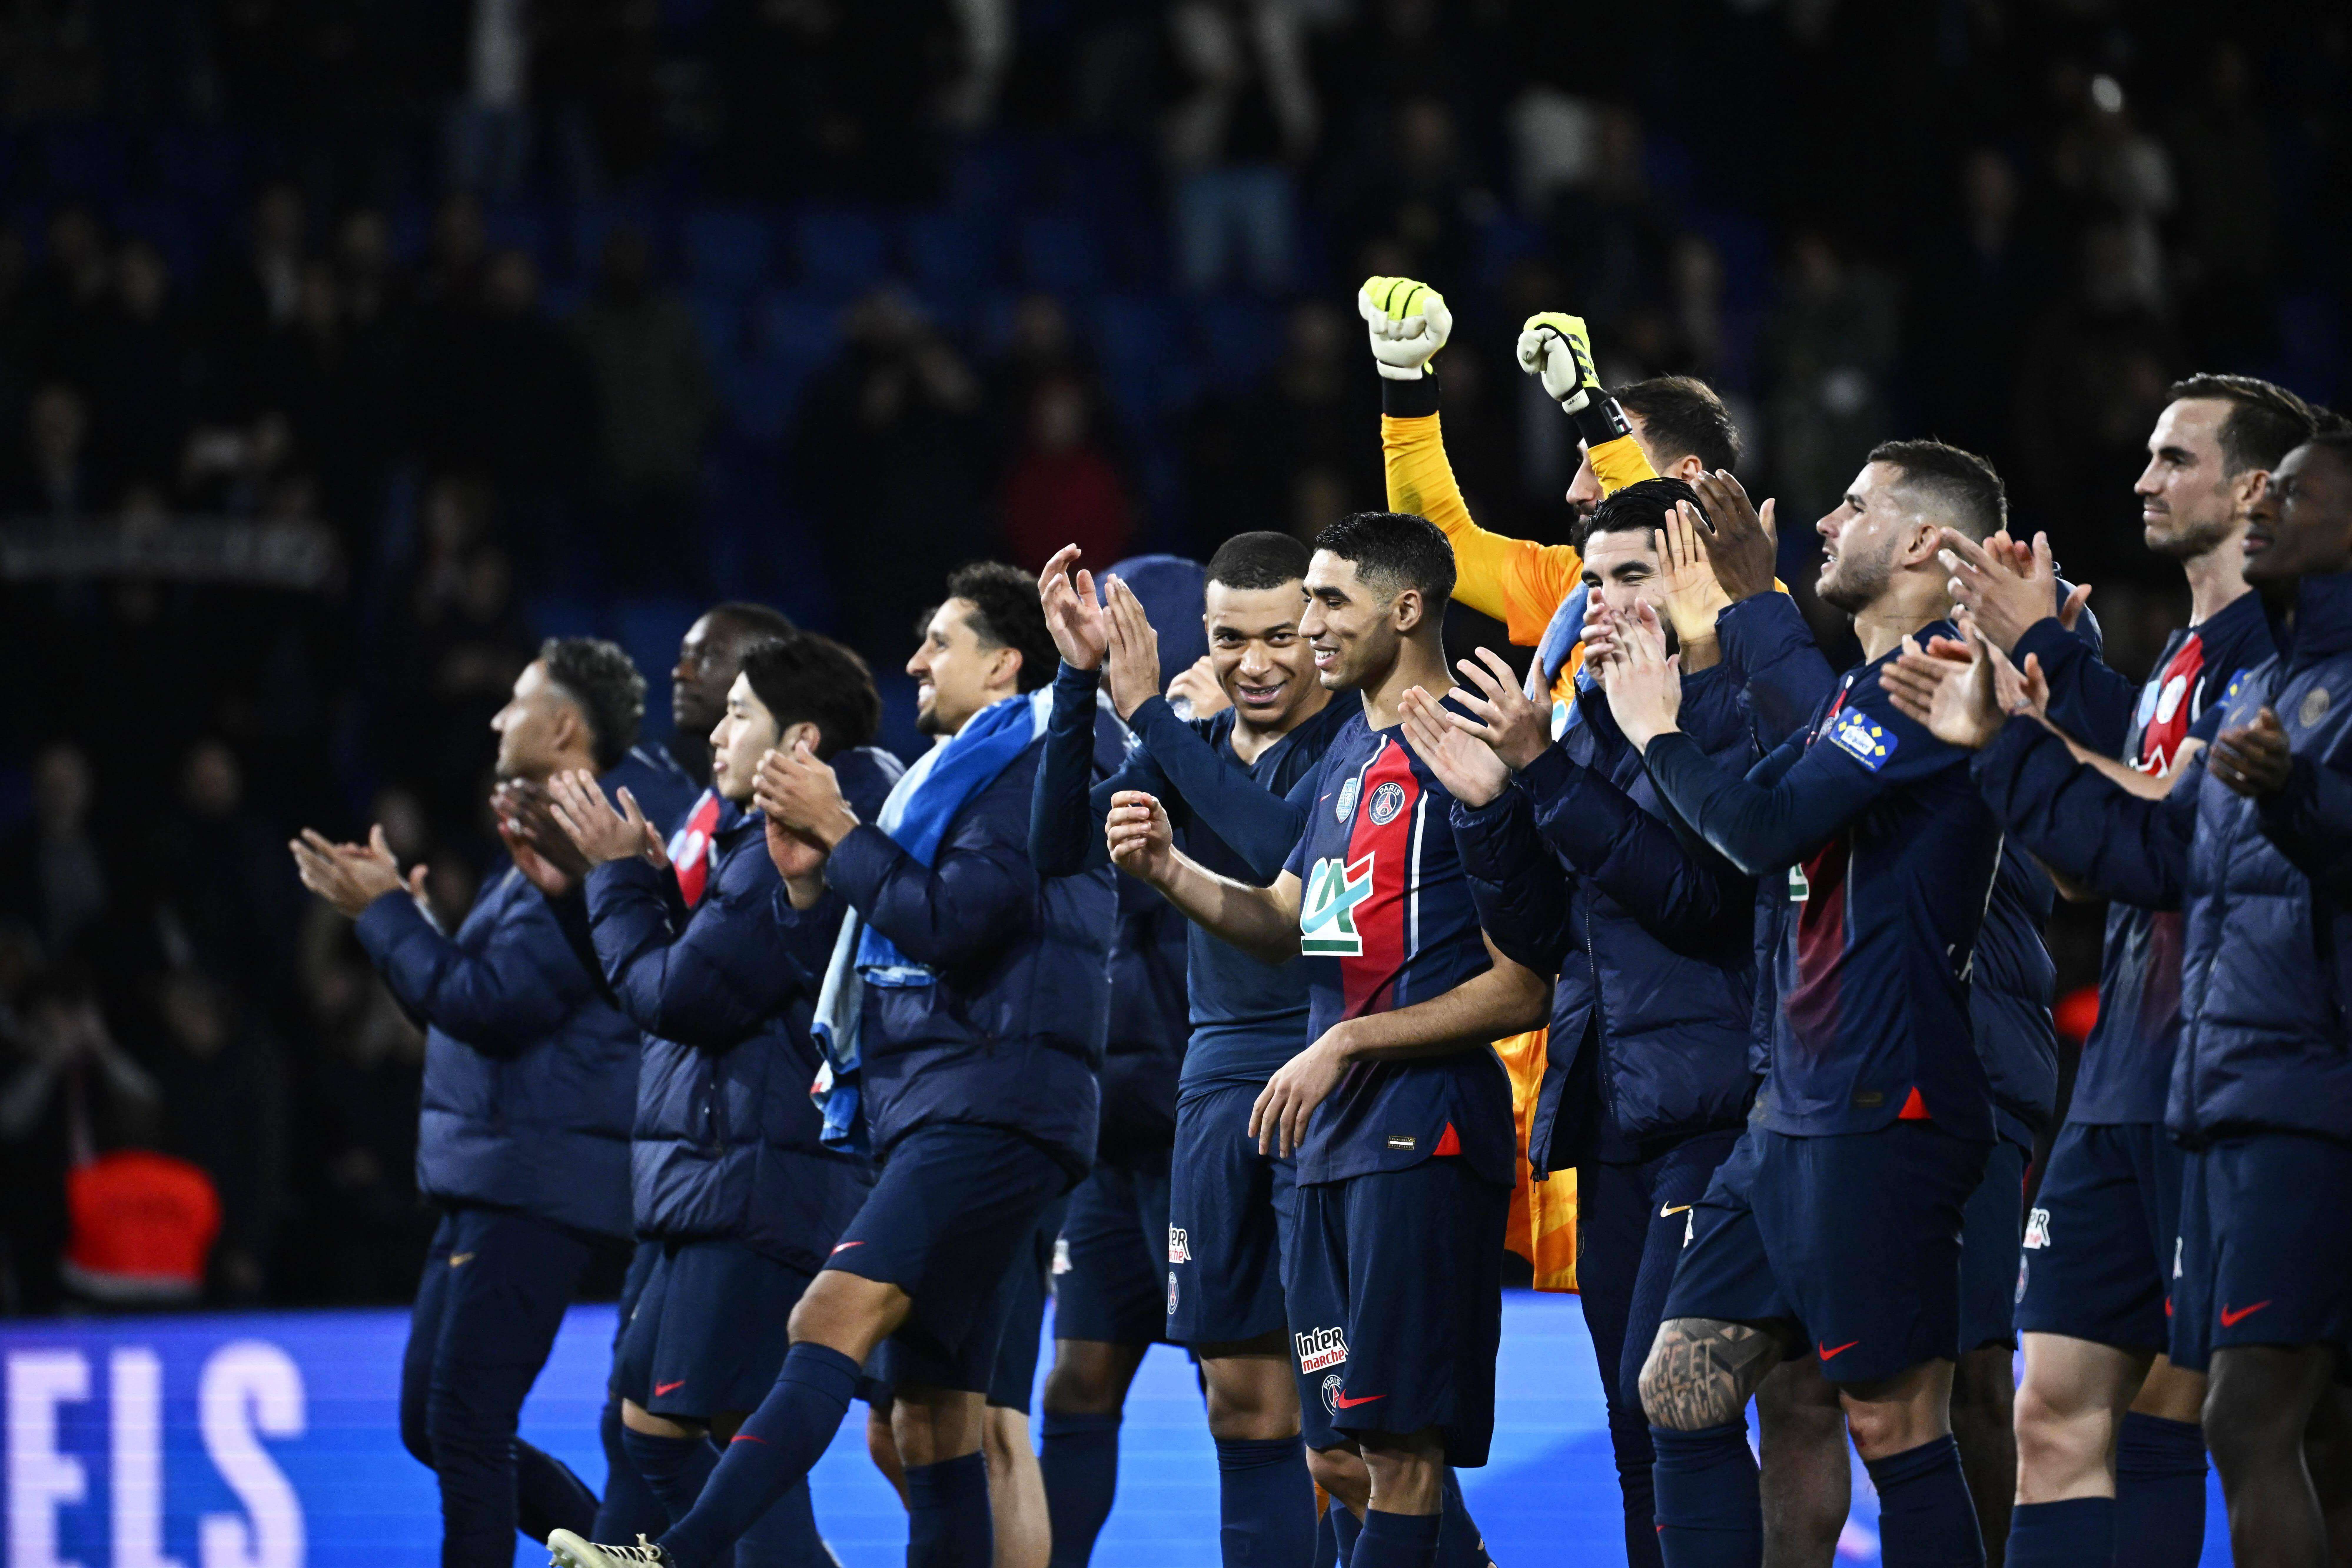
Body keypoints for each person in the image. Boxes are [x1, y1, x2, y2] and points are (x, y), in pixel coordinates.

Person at [548, 562, 1115, 1568]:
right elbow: (896, 924)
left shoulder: (1025, 766)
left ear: (1005, 666)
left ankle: (673, 1558)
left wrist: (842, 834)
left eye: (941, 641)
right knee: (935, 1420)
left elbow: (952, 922)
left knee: (830, 1315)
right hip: (958, 1103)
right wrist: (817, 884)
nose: (916, 661)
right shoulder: (959, 777)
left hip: (990, 1106)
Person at [1887, 426, 2352, 1568]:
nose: (2142, 478)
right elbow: (2145, 827)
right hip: (2164, 1080)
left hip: (2268, 1084)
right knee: (2071, 1411)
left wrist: (2025, 707)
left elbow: (2164, 830)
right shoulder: (2234, 665)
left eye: (2174, 457)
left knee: (2232, 1419)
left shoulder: (2282, 666)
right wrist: (2020, 704)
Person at [1104, 511, 1550, 1568]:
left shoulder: (1469, 746)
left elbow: (1526, 985)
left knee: (1398, 1453)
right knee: (1346, 1451)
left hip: (1422, 1137)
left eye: (1328, 602)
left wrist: (1347, 1044)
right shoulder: (1352, 747)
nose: (1307, 627)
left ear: (1407, 609)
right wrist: (1172, 870)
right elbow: (1297, 915)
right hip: (1330, 1142)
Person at [1600, 443, 2013, 1567]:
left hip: (1883, 1102)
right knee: (1678, 1388)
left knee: (1892, 1422)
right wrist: (1742, 611)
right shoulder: (1863, 692)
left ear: (1927, 541)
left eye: (1854, 505)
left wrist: (1656, 727)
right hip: (1793, 1107)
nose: (1824, 520)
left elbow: (1758, 829)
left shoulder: (1942, 676)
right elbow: (1769, 795)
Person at [1401, 481, 1758, 1568]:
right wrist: (1491, 813)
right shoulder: (1596, 723)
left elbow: (1701, 901)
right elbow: (1550, 937)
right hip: (1610, 1103)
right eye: (1591, 581)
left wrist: (1546, 769)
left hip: (1718, 1107)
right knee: (1629, 1414)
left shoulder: (1738, 710)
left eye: (1632, 577)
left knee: (1679, 1401)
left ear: (1693, 578)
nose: (1601, 604)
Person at [290, 637, 663, 1568]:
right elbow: (482, 992)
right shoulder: (540, 841)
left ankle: (635, 1553)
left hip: (540, 1182)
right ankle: (632, 1553)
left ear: (566, 726)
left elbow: (489, 1007)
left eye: (517, 704)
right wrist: (405, 920)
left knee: (465, 1418)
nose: (497, 719)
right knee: (436, 1420)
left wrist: (382, 916)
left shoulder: (583, 843)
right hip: (495, 1176)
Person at [533, 631, 898, 1568]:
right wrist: (639, 887)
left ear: (801, 739)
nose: (717, 735)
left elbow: (679, 999)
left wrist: (617, 880)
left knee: (688, 1431)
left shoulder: (790, 841)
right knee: (665, 1426)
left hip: (759, 1179)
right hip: (726, 1170)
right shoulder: (757, 840)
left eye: (739, 715)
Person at [1031, 530, 1356, 1568]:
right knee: (1243, 1407)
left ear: (1318, 635)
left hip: (1330, 1077)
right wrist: (1080, 682)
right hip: (1212, 1088)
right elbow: (1060, 849)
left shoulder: (1356, 744)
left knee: (1354, 1431)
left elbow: (1274, 851)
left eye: (1277, 639)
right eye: (1229, 640)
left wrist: (1153, 722)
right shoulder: (1194, 748)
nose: (1254, 663)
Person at [1024, 553, 1207, 1568]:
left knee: (1249, 1395)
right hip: (1112, 1141)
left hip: (1196, 1134)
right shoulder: (1076, 753)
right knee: (1077, 1383)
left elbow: (1129, 889)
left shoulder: (1206, 755)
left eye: (1119, 624)